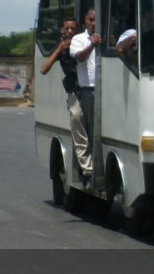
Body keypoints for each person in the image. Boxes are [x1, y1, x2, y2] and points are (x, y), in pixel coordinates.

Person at [40, 17, 93, 185]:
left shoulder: (82, 42)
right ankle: (87, 169)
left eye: (73, 29)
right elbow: (43, 69)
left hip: (90, 89)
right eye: (67, 29)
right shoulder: (62, 47)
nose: (70, 32)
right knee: (77, 118)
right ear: (62, 30)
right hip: (74, 92)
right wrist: (59, 49)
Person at [70, 8, 102, 187]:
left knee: (101, 131)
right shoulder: (78, 39)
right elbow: (80, 58)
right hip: (87, 91)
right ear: (85, 22)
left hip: (105, 90)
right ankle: (89, 171)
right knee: (90, 132)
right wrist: (91, 44)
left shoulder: (104, 37)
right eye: (91, 20)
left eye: (97, 20)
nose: (94, 23)